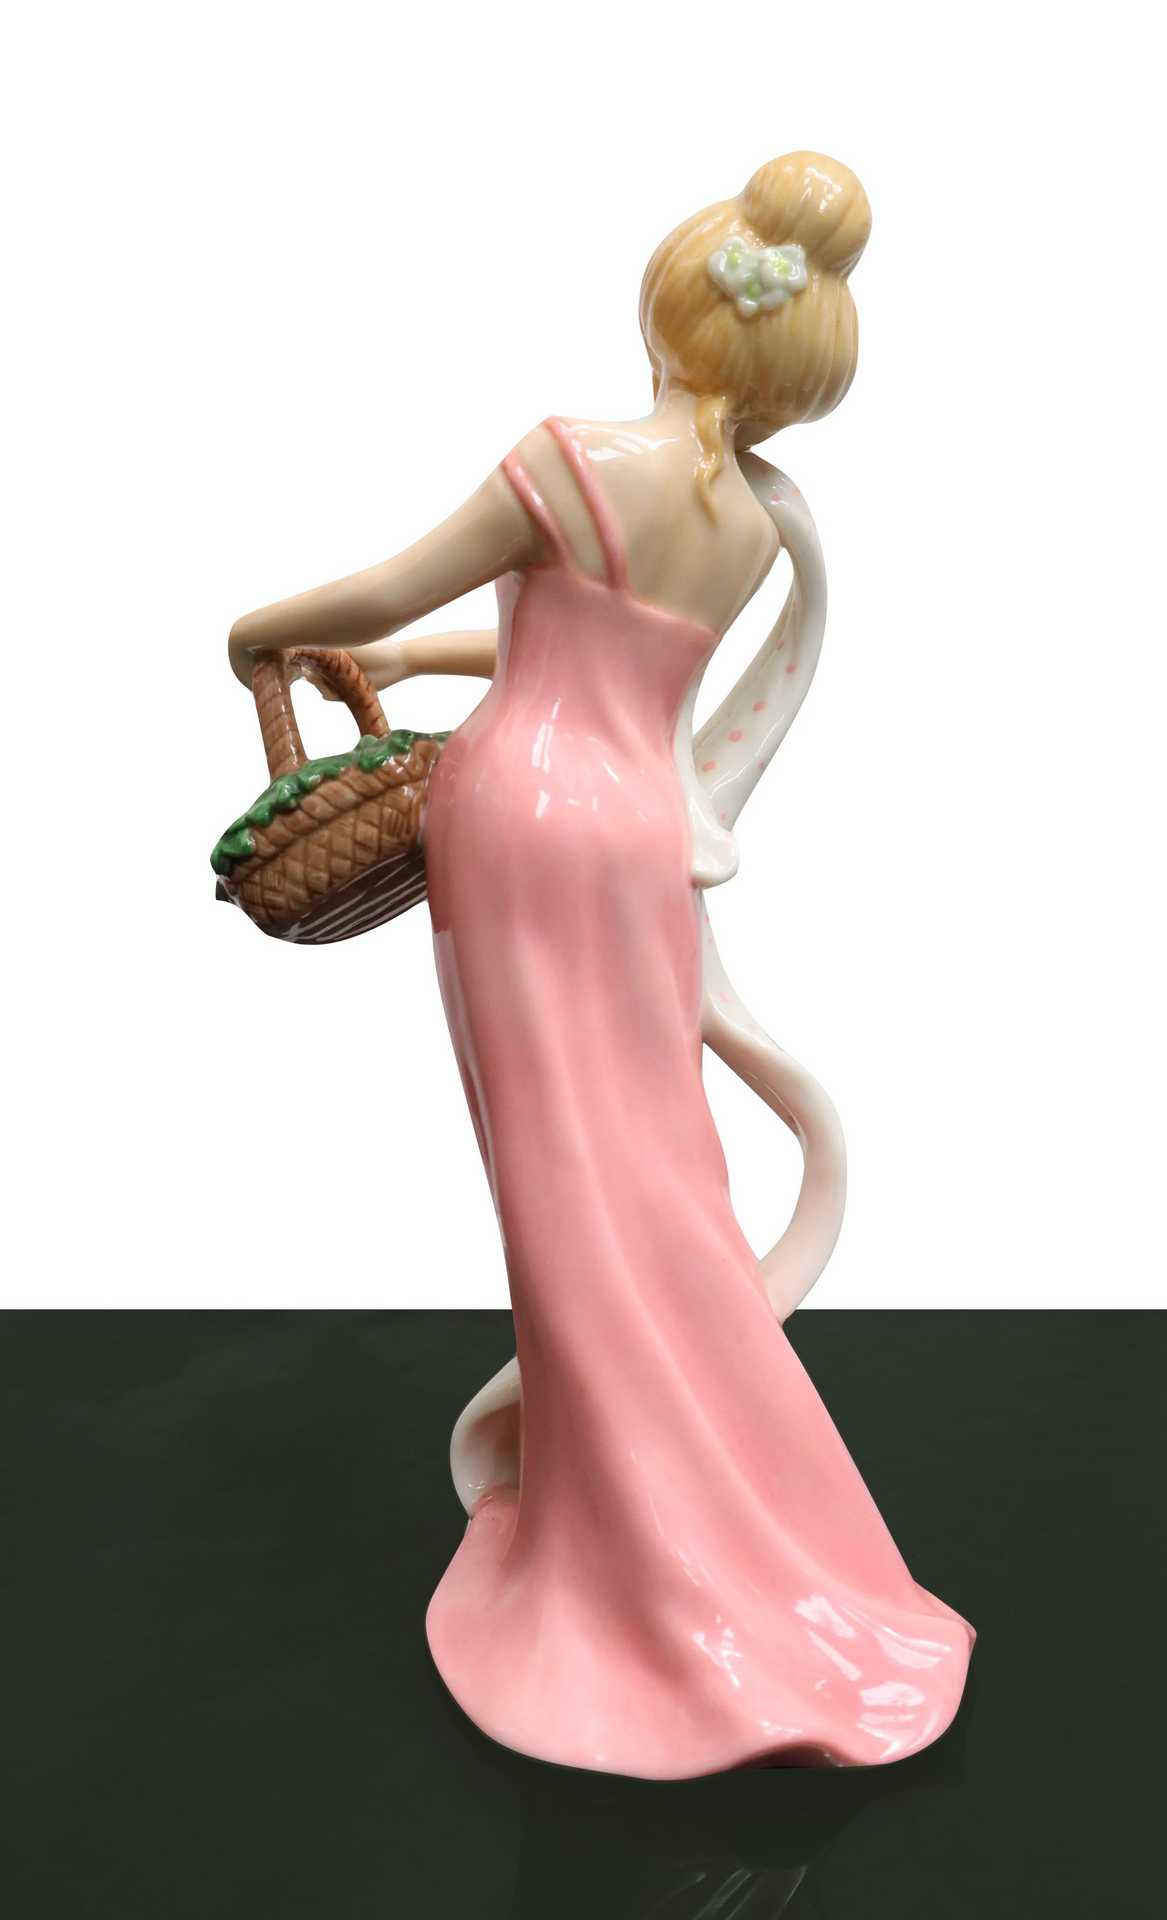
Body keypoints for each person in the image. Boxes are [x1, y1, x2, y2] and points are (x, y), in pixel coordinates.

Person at [229, 152, 973, 1779]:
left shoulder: (573, 453)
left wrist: (259, 631)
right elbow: (583, 638)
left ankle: (626, 1557)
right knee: (647, 1174)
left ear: (671, 300)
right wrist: (409, 657)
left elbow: (400, 580)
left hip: (519, 825)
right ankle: (722, 1521)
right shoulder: (752, 523)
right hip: (631, 837)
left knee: (565, 1191)